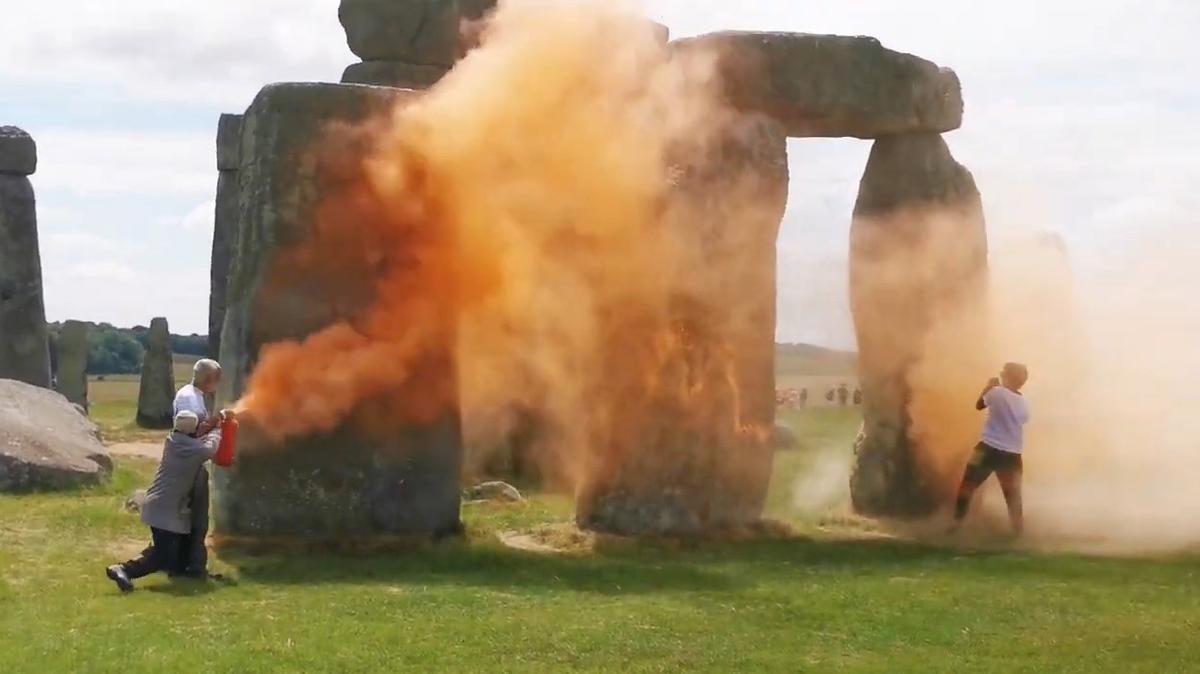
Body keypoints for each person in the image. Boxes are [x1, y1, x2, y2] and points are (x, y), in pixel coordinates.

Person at [106, 411, 221, 592]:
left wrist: (206, 429)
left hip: (161, 507)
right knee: (163, 555)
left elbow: (197, 442)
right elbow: (210, 449)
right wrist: (217, 429)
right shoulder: (193, 449)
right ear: (193, 430)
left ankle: (182, 571)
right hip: (165, 510)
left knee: (171, 550)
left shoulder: (174, 440)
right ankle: (124, 569)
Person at [950, 363, 1031, 535]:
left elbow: (979, 405)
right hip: (1012, 455)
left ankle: (955, 525)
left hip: (986, 449)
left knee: (967, 486)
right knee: (1013, 497)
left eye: (1004, 373)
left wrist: (988, 387)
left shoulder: (996, 392)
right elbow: (1022, 420)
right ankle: (1018, 532)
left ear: (1008, 376)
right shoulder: (1024, 403)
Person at [173, 358, 223, 577]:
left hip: (191, 463)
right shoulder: (189, 398)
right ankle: (194, 567)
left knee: (191, 518)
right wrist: (216, 424)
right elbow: (191, 431)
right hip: (190, 466)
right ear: (209, 378)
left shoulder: (192, 395)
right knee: (198, 519)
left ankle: (184, 564)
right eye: (216, 378)